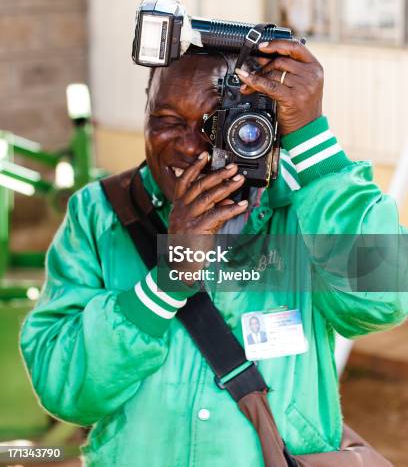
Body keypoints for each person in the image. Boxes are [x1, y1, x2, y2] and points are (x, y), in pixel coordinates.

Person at [20, 39, 407, 466]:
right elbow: (63, 389)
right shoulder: (101, 212)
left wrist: (313, 139)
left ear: (258, 127)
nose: (186, 146)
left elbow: (381, 300)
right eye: (166, 119)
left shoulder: (303, 207)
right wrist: (165, 284)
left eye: (214, 124)